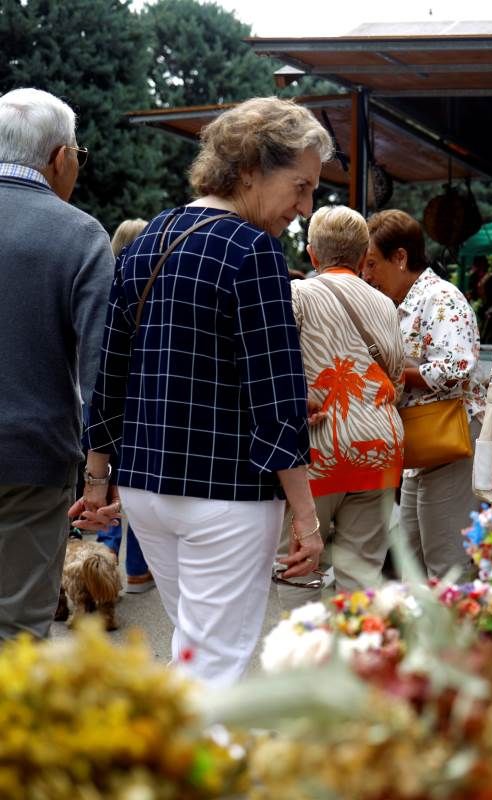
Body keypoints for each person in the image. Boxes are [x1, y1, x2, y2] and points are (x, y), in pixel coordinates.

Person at [75, 97, 331, 685]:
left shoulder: (147, 239)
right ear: (249, 171)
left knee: (194, 648)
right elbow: (278, 394)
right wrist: (307, 518)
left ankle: (174, 764)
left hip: (144, 490)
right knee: (216, 663)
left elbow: (109, 370)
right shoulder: (254, 250)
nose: (304, 206)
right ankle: (187, 773)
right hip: (226, 492)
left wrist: (97, 478)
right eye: (300, 186)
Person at [0, 88, 113, 639]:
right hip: (32, 459)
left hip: (33, 454)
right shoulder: (80, 235)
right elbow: (101, 368)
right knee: (17, 630)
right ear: (60, 158)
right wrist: (99, 477)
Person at [274, 205, 404, 609]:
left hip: (315, 450)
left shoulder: (296, 295)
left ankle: (302, 658)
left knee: (299, 567)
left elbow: (277, 369)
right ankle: (357, 657)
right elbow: (396, 376)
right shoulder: (384, 304)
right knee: (362, 574)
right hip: (379, 448)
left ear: (312, 255)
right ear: (365, 255)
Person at [363, 210, 480, 579]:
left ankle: (457, 634)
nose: (366, 276)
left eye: (371, 264)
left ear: (400, 258)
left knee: (445, 560)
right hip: (422, 444)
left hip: (446, 440)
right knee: (413, 556)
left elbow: (456, 367)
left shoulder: (440, 298)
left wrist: (397, 375)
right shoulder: (402, 302)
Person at [94, 218, 156, 595]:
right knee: (136, 483)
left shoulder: (104, 286)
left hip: (103, 397)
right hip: (142, 399)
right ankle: (136, 569)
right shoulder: (153, 288)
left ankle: (103, 556)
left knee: (108, 480)